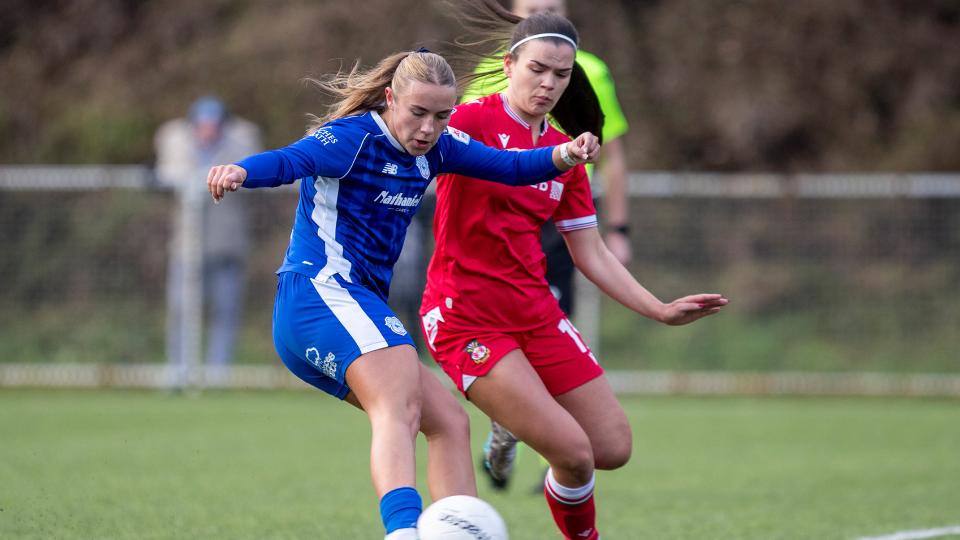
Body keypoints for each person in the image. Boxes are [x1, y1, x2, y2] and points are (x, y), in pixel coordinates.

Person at [205, 50, 600, 540]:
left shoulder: (439, 147)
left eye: (442, 115)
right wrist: (242, 171)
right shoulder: (352, 139)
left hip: (353, 308)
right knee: (401, 406)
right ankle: (403, 533)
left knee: (449, 422)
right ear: (391, 99)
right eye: (418, 113)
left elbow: (510, 167)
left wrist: (566, 154)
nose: (429, 127)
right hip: (320, 295)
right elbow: (291, 160)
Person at [418, 5, 728, 539]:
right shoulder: (467, 122)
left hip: (535, 313)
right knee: (576, 453)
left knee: (611, 449)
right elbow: (401, 154)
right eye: (537, 69)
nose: (548, 83)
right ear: (511, 64)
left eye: (561, 75)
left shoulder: (567, 153)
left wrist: (658, 308)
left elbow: (591, 253)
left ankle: (512, 422)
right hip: (465, 318)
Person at [155, 96, 263, 388]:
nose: (208, 130)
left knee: (225, 312)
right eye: (202, 125)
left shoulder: (241, 141)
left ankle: (217, 376)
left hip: (227, 245)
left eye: (213, 124)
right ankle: (179, 373)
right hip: (187, 247)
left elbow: (252, 176)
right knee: (180, 310)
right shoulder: (175, 141)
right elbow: (167, 176)